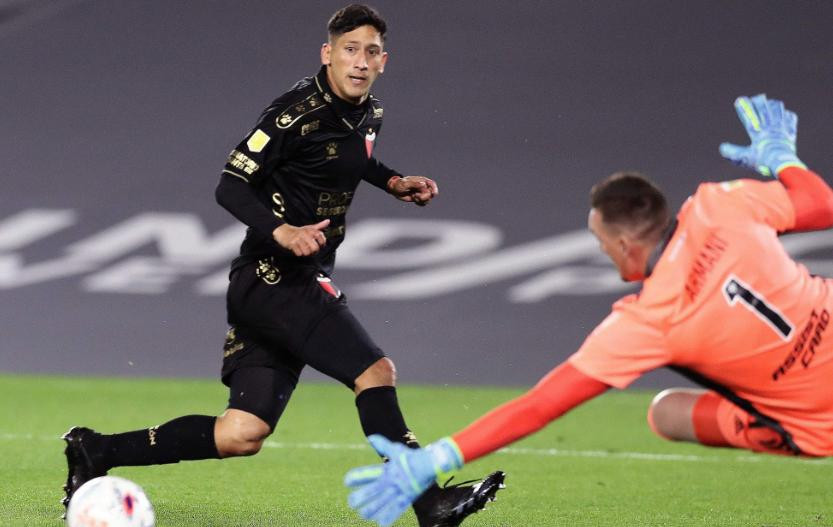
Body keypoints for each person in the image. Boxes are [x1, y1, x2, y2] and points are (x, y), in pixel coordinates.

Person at [61, 5, 504, 526]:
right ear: (328, 53)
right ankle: (428, 501)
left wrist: (393, 182)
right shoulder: (294, 114)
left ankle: (96, 451)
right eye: (349, 50)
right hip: (274, 279)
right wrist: (283, 230)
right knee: (374, 372)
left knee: (241, 433)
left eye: (371, 52)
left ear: (385, 60)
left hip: (281, 286)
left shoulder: (368, 112)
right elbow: (230, 184)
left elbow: (349, 159)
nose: (360, 62)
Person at [343, 94, 833, 526]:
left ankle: (786, 427)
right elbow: (821, 206)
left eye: (600, 240)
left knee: (667, 414)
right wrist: (782, 159)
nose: (600, 250)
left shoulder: (646, 323)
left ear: (622, 241)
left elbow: (539, 406)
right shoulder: (719, 205)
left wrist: (435, 458)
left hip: (821, 420)